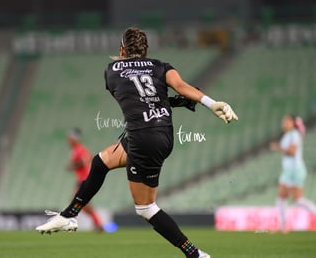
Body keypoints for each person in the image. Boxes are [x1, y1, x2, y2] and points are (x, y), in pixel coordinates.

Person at [36, 27, 238, 258]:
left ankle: (196, 255)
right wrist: (212, 104)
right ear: (146, 50)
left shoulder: (111, 70)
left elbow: (136, 97)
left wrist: (166, 101)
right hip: (161, 135)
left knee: (146, 208)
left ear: (122, 49)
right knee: (101, 162)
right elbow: (180, 88)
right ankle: (69, 215)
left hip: (143, 138)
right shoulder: (161, 66)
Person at [270, 114, 316, 232]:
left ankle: (283, 226)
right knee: (281, 198)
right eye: (283, 121)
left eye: (287, 121)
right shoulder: (287, 135)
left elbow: (291, 151)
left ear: (293, 123)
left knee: (298, 200)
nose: (284, 123)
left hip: (295, 171)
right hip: (288, 171)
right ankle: (283, 227)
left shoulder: (294, 134)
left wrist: (278, 148)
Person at [66, 128, 103, 232]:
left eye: (70, 139)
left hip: (84, 179)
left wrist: (72, 166)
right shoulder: (76, 150)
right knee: (82, 203)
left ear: (74, 139)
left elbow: (85, 160)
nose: (68, 141)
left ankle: (69, 220)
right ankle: (97, 223)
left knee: (77, 201)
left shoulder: (79, 149)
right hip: (82, 179)